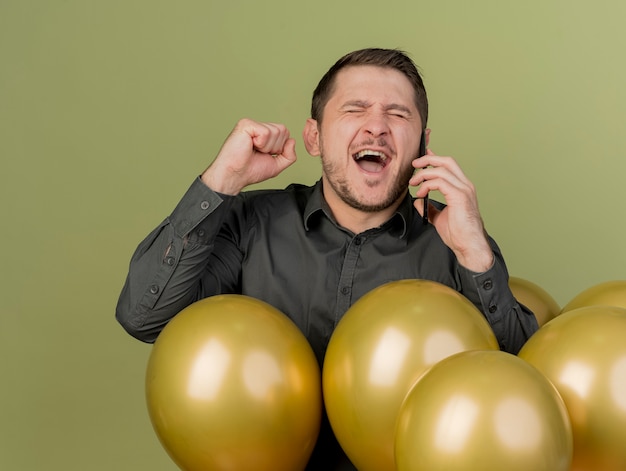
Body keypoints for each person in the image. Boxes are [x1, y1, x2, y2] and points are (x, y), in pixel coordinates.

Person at [116, 47, 538, 470]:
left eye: (398, 114)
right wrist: (221, 180)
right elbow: (143, 315)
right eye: (355, 109)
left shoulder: (459, 244)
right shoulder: (250, 223)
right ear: (314, 137)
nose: (377, 127)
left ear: (423, 143)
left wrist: (475, 254)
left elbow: (520, 398)